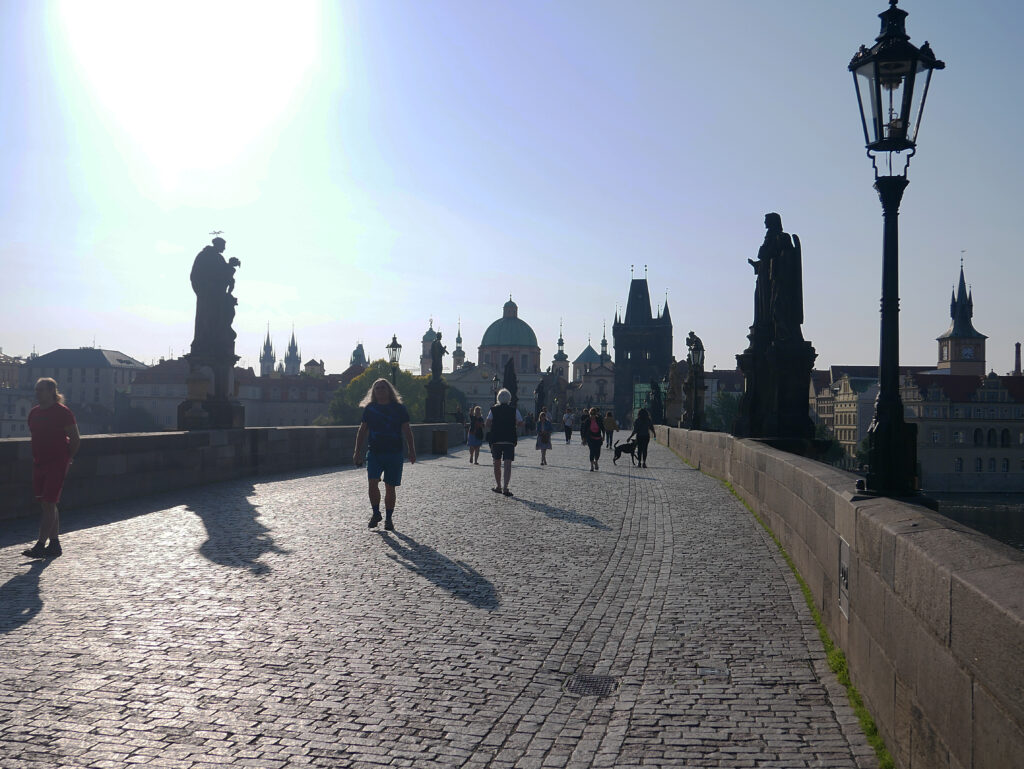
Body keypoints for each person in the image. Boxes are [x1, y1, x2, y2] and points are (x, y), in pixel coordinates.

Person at [22, 378, 80, 559]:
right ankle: (54, 544)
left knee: (49, 502)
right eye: (36, 390)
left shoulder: (63, 413)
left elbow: (75, 438)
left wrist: (68, 459)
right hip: (39, 462)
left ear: (51, 392)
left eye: (41, 390)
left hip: (56, 463)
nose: (37, 393)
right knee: (47, 503)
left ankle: (40, 545)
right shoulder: (34, 413)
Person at [353, 378, 417, 531]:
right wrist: (357, 451)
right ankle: (376, 513)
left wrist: (412, 450)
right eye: (377, 388)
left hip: (394, 452)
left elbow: (407, 430)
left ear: (389, 390)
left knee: (390, 487)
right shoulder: (370, 409)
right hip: (374, 451)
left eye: (383, 388)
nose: (380, 390)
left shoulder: (399, 409)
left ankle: (389, 518)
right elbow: (362, 431)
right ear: (373, 392)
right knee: (372, 482)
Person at [485, 388, 524, 496]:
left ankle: (498, 486)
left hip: (496, 439)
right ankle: (506, 487)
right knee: (507, 464)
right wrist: (513, 424)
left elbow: (487, 423)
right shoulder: (514, 410)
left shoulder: (493, 410)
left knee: (496, 463)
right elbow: (521, 423)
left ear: (498, 398)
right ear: (509, 399)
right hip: (509, 439)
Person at [581, 407, 605, 471]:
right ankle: (591, 466)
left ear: (596, 414)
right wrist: (583, 438)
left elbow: (603, 428)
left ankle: (596, 461)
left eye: (594, 414)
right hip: (590, 438)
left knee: (597, 453)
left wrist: (604, 436)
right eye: (591, 414)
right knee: (592, 451)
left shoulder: (599, 419)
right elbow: (584, 430)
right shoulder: (588, 420)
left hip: (598, 438)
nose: (592, 416)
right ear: (590, 414)